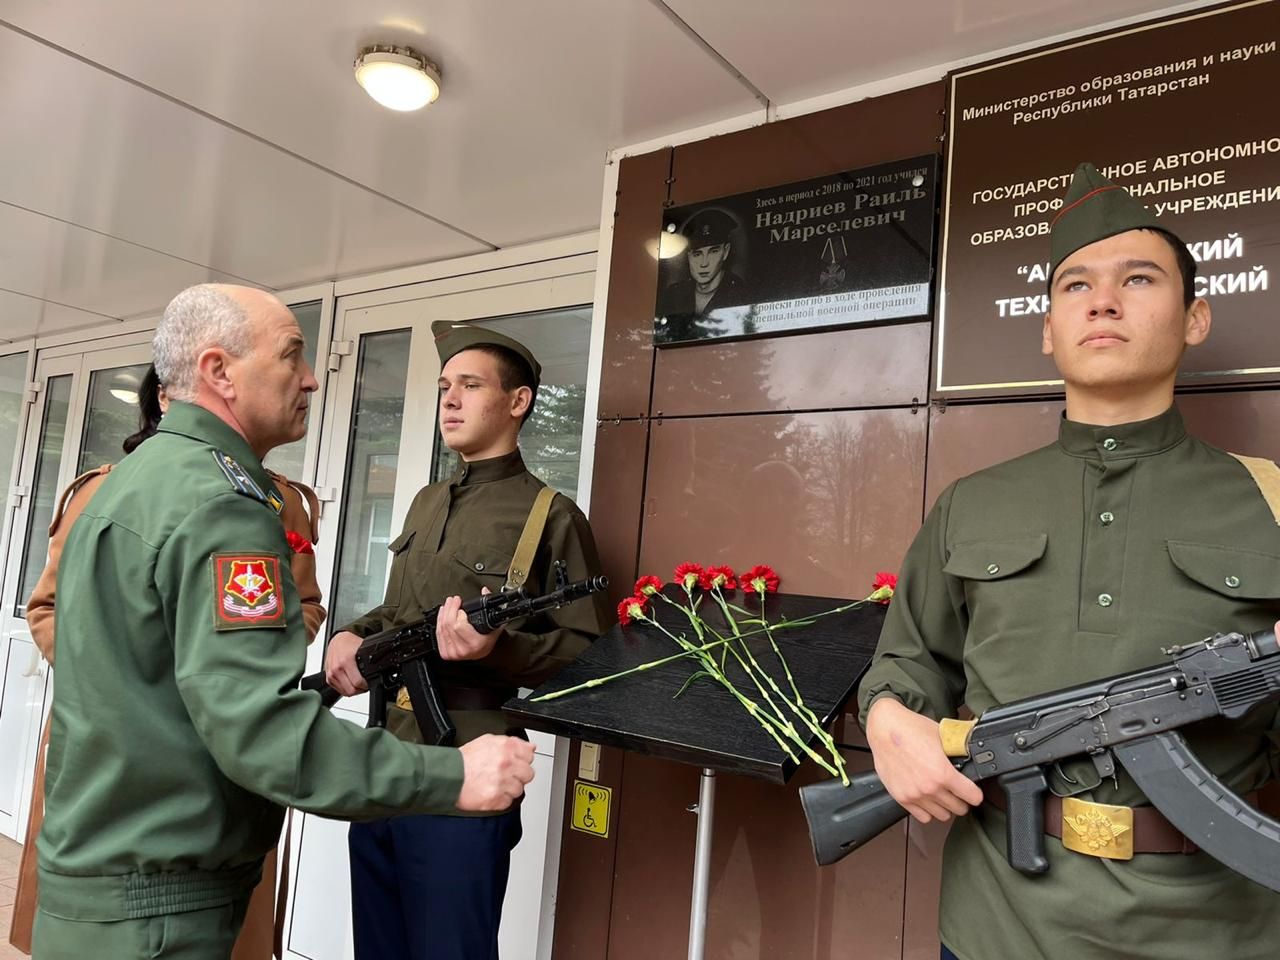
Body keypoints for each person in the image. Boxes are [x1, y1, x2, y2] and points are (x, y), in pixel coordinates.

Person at [35, 285, 535, 960]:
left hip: (111, 876)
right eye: (292, 356)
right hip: (158, 903)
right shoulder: (220, 503)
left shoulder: (133, 480)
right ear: (219, 371)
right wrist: (456, 777)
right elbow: (261, 731)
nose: (310, 379)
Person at [858, 164, 1280, 960]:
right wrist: (888, 721)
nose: (1104, 300)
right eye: (1075, 284)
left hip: (1223, 930)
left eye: (1139, 278)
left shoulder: (1271, 505)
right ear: (1049, 330)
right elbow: (907, 660)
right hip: (1000, 925)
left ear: (1196, 318)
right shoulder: (970, 505)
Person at [10, 365, 326, 958]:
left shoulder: (273, 498)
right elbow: (46, 607)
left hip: (224, 748)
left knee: (224, 923)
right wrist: (121, 671)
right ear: (162, 399)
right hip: (108, 737)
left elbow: (304, 605)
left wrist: (243, 653)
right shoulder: (103, 488)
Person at [324, 320, 611, 960]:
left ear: (518, 402)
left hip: (466, 768)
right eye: (445, 386)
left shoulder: (550, 515)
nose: (449, 400)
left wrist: (499, 649)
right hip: (384, 762)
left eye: (470, 385)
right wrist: (350, 634)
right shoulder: (427, 501)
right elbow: (401, 613)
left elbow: (591, 654)